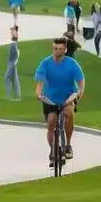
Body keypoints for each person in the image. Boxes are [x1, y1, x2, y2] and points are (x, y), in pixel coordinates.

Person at [34, 37, 86, 166]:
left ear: (65, 50)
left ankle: (68, 144)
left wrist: (80, 92)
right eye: (55, 49)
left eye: (60, 49)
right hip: (50, 98)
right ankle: (54, 150)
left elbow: (81, 81)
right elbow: (40, 82)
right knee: (51, 121)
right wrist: (39, 94)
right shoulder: (45, 63)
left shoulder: (72, 63)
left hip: (68, 96)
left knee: (68, 113)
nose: (57, 51)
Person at [5, 25, 21, 100]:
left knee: (7, 77)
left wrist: (14, 29)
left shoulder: (14, 40)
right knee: (14, 78)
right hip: (12, 60)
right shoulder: (14, 41)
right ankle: (17, 95)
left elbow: (15, 34)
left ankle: (8, 96)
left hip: (12, 60)